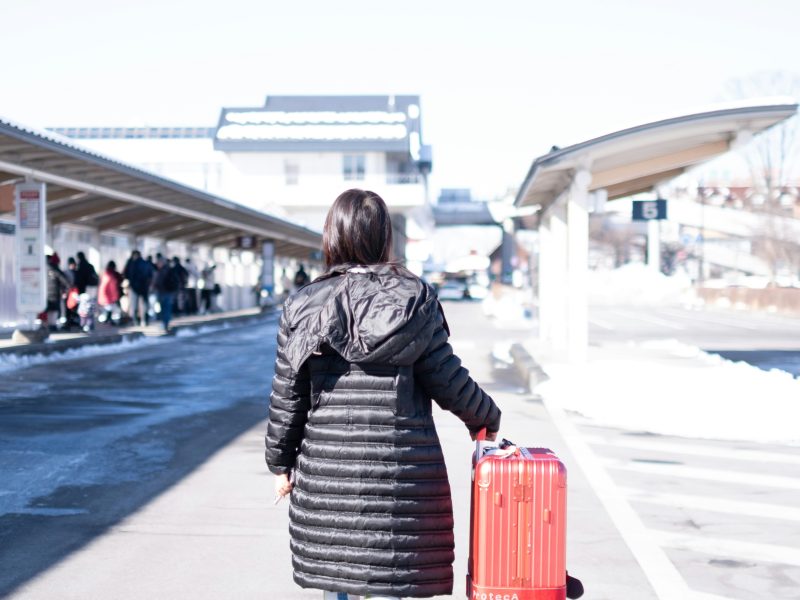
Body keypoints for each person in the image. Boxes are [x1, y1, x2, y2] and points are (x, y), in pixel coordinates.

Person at [265, 189, 502, 599]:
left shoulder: (303, 304)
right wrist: (486, 417)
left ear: (332, 235)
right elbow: (447, 378)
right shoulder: (413, 300)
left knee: (340, 578)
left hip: (328, 479)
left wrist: (280, 462)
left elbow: (288, 394)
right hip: (399, 481)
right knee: (392, 580)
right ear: (383, 236)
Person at [124, 250, 153, 326]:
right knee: (144, 304)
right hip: (144, 287)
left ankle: (135, 321)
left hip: (134, 287)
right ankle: (144, 320)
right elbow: (150, 274)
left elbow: (126, 274)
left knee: (134, 305)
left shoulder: (131, 263)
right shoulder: (146, 263)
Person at [152, 256, 180, 332]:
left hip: (165, 292)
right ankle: (165, 324)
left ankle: (165, 324)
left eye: (158, 263)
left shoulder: (164, 271)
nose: (157, 264)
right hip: (165, 292)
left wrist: (156, 286)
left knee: (166, 309)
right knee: (165, 309)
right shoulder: (166, 270)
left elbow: (159, 282)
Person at [45, 253, 70, 330]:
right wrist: (66, 289)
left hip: (45, 292)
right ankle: (52, 325)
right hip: (54, 292)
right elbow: (64, 280)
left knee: (48, 309)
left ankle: (49, 324)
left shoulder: (43, 269)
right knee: (54, 309)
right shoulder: (54, 268)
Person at [98, 260, 123, 325]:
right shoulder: (111, 275)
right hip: (111, 296)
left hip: (107, 296)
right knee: (116, 310)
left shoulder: (105, 274)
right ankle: (114, 321)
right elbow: (113, 287)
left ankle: (109, 320)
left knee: (109, 309)